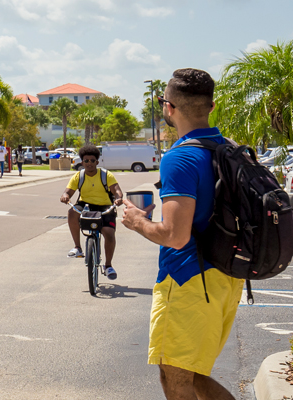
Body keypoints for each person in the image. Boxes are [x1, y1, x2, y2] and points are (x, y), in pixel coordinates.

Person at [120, 68, 240, 400]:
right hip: (226, 276)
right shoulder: (229, 148)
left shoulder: (181, 157)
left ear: (168, 107)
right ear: (211, 107)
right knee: (195, 376)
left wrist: (137, 221)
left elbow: (175, 235)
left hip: (188, 280)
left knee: (176, 378)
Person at [60, 145, 122, 278]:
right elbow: (68, 191)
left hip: (105, 207)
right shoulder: (79, 176)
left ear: (97, 162)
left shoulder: (106, 175)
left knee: (109, 234)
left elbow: (116, 190)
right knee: (72, 212)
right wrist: (65, 196)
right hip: (86, 205)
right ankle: (78, 247)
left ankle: (108, 266)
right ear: (82, 162)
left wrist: (118, 198)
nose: (89, 163)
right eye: (86, 161)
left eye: (92, 161)